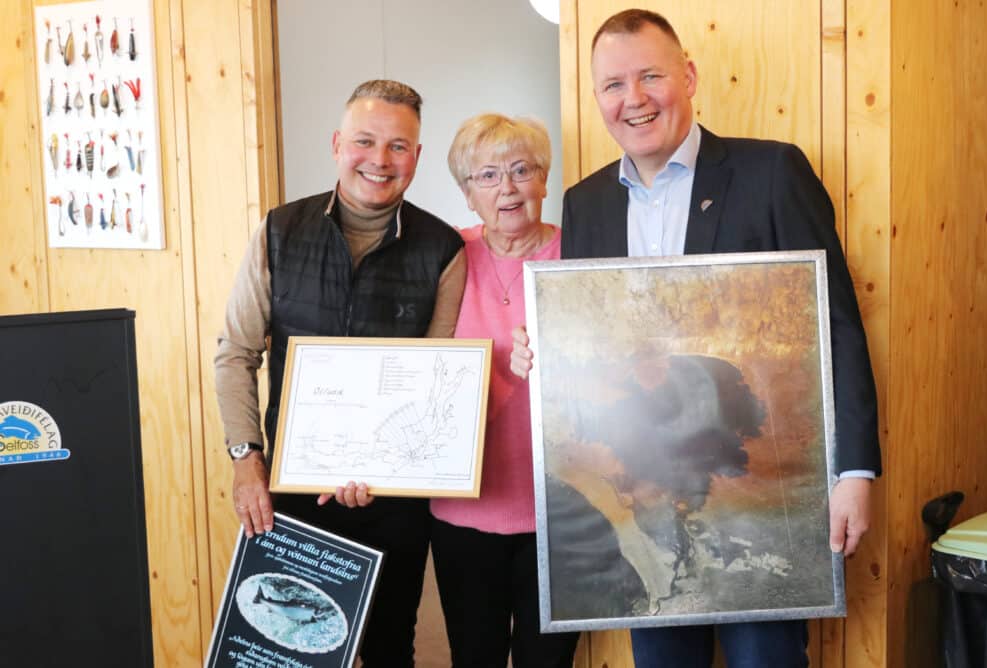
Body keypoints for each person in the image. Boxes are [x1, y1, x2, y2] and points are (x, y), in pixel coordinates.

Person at [510, 9, 881, 668]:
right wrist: (544, 351)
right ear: (597, 98)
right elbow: (592, 352)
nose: (634, 98)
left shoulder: (773, 173)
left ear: (688, 76)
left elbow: (838, 328)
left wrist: (854, 472)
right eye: (614, 85)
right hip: (648, 496)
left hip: (760, 491)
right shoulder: (586, 203)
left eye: (650, 76)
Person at [214, 79, 466, 668]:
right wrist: (246, 461)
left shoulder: (443, 249)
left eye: (398, 146)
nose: (380, 160)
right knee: (290, 643)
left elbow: (438, 386)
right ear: (336, 145)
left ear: (417, 157)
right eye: (364, 141)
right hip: (290, 489)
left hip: (395, 497)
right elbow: (236, 353)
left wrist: (384, 468)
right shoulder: (279, 231)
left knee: (388, 645)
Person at [428, 113, 579, 667]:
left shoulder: (579, 253)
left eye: (522, 170)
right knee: (475, 656)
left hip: (565, 510)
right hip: (464, 509)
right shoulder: (444, 257)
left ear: (544, 180)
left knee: (548, 662)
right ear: (468, 194)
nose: (507, 188)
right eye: (487, 176)